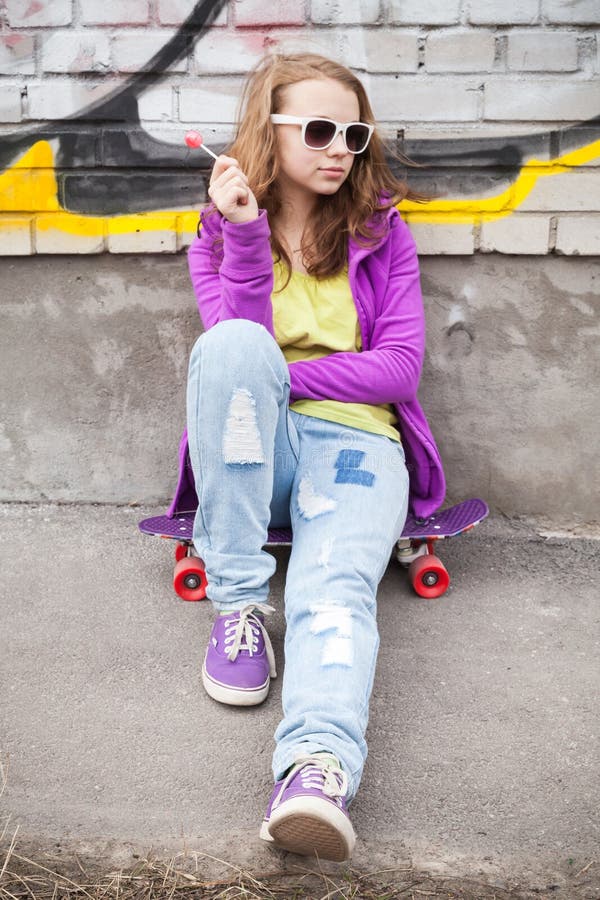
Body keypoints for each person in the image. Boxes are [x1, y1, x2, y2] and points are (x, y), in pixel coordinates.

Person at [170, 52, 446, 861]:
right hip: (261, 449)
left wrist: (283, 376)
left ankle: (316, 771)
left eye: (353, 134)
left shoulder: (384, 235)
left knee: (333, 591)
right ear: (270, 132)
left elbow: (399, 367)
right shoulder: (216, 235)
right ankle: (241, 606)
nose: (339, 149)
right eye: (319, 130)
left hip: (358, 444)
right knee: (228, 350)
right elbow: (240, 348)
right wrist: (247, 237)